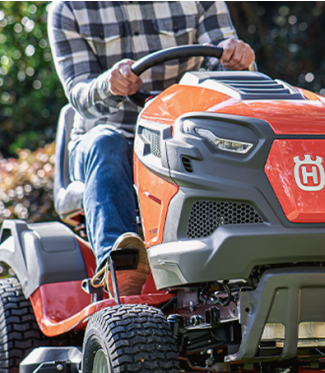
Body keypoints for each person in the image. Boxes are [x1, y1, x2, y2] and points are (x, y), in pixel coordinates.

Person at [47, 2, 255, 296]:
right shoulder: (68, 9)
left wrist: (237, 59)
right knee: (107, 142)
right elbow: (79, 94)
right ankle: (120, 266)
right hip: (109, 135)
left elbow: (224, 59)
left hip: (184, 133)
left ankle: (243, 263)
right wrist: (109, 84)